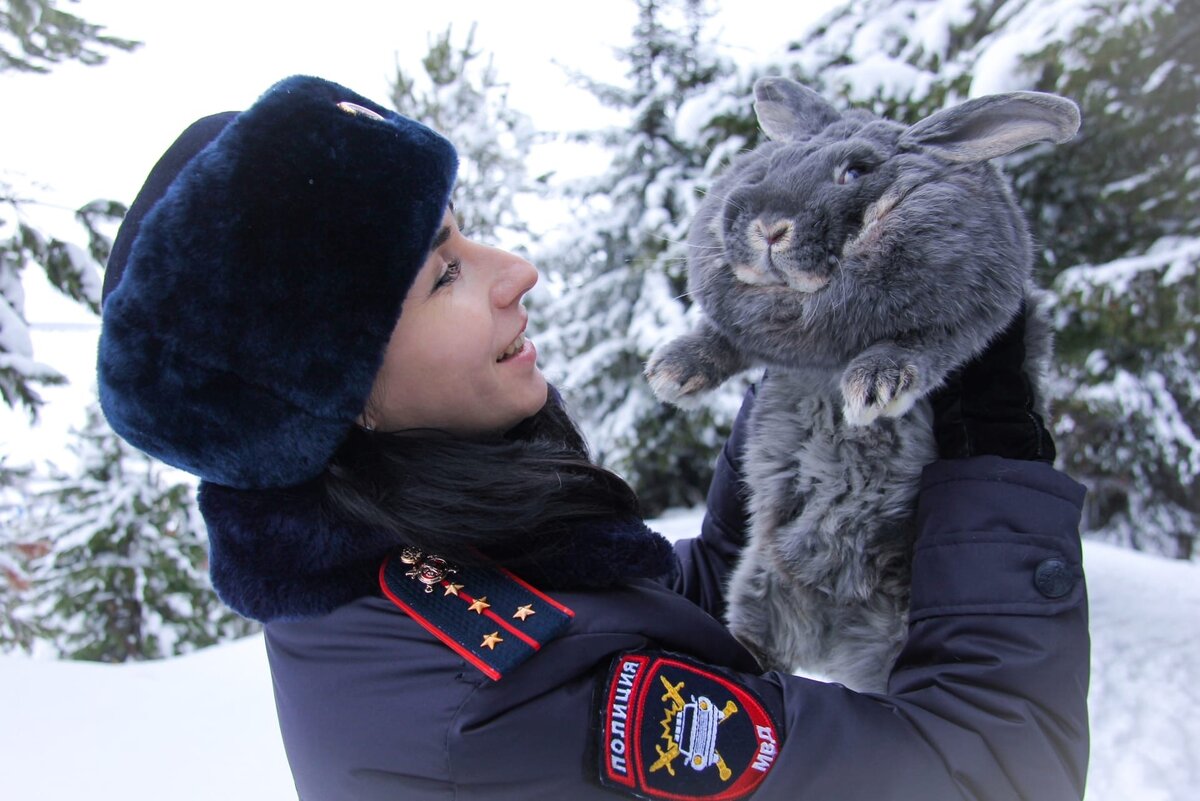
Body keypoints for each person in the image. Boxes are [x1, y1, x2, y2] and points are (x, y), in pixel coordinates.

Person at [97, 75, 1089, 801]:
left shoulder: (413, 558)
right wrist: (992, 444)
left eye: (467, 229)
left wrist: (798, 357)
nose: (514, 268)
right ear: (339, 392)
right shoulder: (493, 712)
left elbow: (672, 614)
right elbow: (992, 770)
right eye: (442, 274)